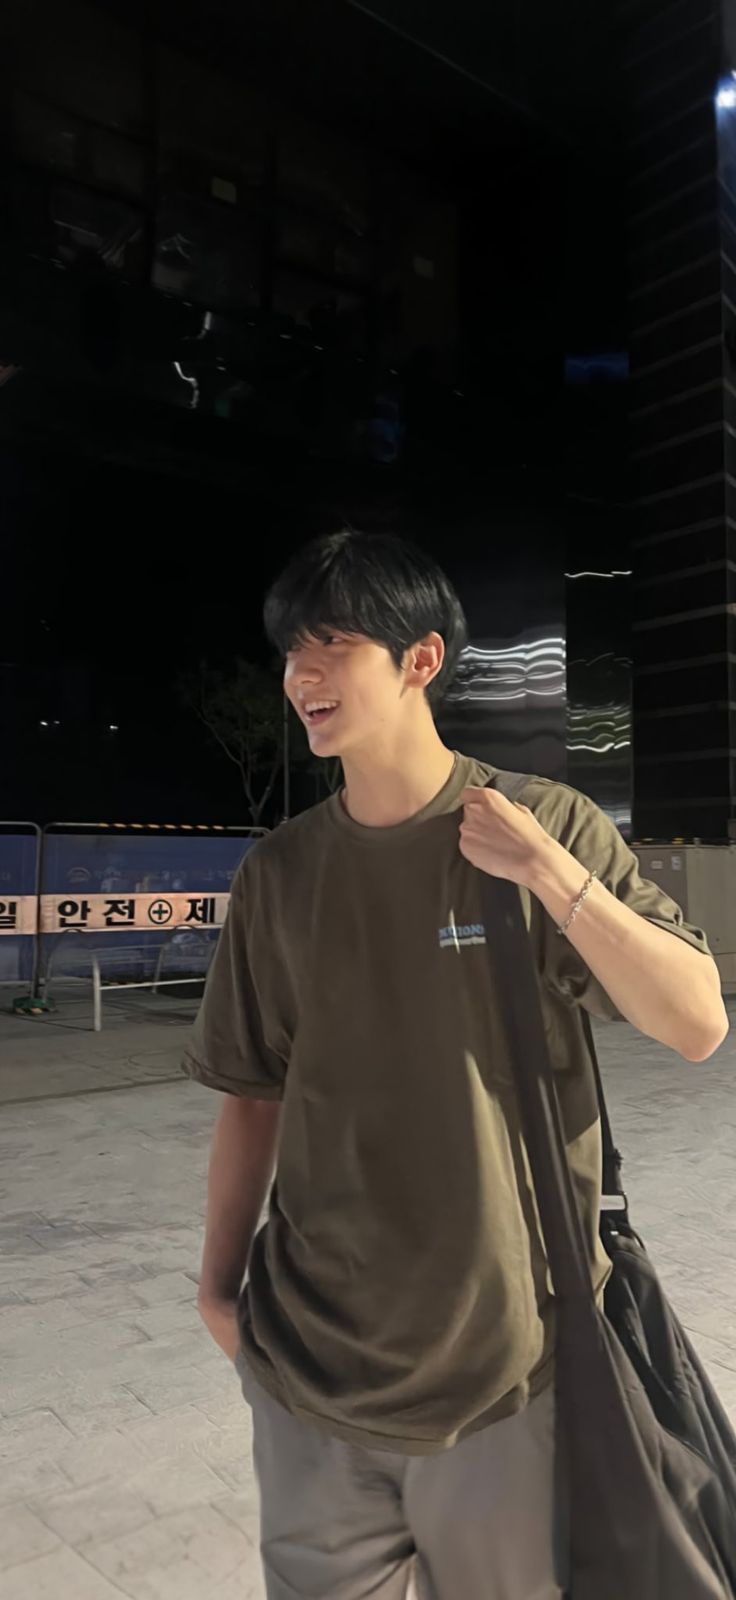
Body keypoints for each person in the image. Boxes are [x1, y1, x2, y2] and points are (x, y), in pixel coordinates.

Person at [184, 530, 728, 1600]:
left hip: (503, 1371)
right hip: (305, 1370)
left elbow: (696, 1022)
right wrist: (217, 1290)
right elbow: (253, 1091)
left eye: (329, 642)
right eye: (289, 648)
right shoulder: (281, 874)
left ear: (419, 659)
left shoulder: (547, 824)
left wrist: (549, 874)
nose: (299, 673)